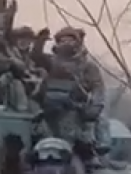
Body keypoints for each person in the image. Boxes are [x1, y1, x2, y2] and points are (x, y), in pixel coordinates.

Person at [33, 26, 106, 166]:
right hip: (50, 109)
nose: (66, 43)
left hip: (76, 108)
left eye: (70, 40)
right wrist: (39, 42)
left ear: (77, 43)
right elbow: (37, 57)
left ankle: (88, 156)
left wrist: (95, 107)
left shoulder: (87, 66)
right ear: (57, 44)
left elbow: (98, 88)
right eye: (62, 40)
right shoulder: (51, 62)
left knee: (82, 137)